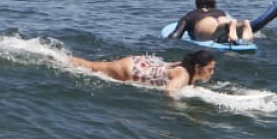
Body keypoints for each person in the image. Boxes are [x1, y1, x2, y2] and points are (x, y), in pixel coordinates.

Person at [67, 49, 217, 95]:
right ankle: (60, 59)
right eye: (209, 69)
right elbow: (169, 91)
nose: (212, 73)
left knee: (96, 66)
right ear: (197, 67)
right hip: (131, 69)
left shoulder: (188, 72)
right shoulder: (183, 75)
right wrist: (178, 108)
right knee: (91, 67)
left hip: (142, 64)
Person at [169, 0, 253, 44]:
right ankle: (243, 24)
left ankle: (229, 25)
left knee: (216, 32)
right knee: (224, 30)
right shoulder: (221, 12)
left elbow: (175, 36)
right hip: (223, 19)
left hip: (206, 23)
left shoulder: (190, 15)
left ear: (197, 2)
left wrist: (167, 39)